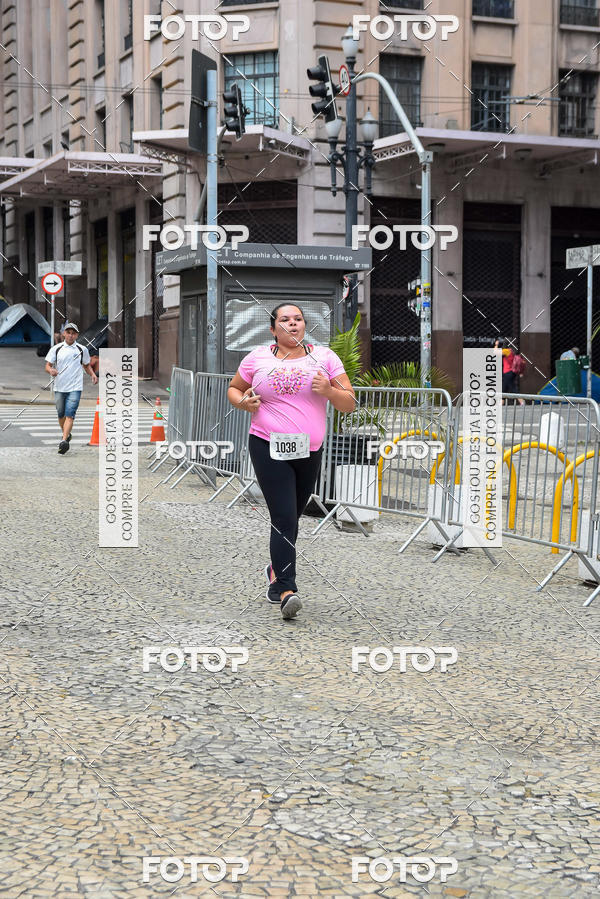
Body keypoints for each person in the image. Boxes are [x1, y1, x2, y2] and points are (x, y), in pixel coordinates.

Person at [227, 303, 355, 620]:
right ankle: (287, 589)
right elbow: (234, 389)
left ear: (304, 326)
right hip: (267, 445)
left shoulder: (325, 358)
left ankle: (275, 571)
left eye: (298, 319)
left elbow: (349, 403)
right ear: (273, 329)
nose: (293, 324)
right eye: (285, 320)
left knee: (292, 518)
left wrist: (329, 390)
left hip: (308, 450)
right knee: (283, 518)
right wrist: (244, 403)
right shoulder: (257, 358)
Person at [45, 322, 98, 454]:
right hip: (59, 387)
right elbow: (47, 365)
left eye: (73, 333)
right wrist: (51, 370)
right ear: (64, 334)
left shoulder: (82, 349)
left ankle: (64, 441)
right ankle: (67, 434)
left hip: (75, 387)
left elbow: (86, 365)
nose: (70, 335)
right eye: (68, 332)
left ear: (77, 335)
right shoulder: (56, 349)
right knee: (60, 414)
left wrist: (92, 374)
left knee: (70, 414)